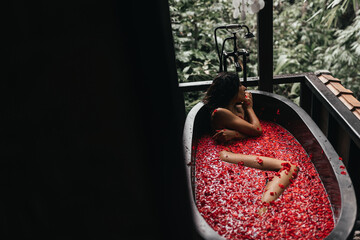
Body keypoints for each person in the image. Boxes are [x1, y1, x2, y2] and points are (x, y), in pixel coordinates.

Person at [203, 72, 298, 215]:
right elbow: (256, 130)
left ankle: (265, 203)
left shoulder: (237, 108)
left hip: (241, 150)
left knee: (288, 167)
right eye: (240, 85)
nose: (244, 88)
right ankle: (263, 209)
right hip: (226, 154)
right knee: (288, 167)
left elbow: (251, 131)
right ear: (232, 90)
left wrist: (234, 134)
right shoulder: (220, 112)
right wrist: (249, 108)